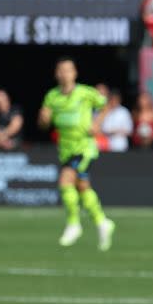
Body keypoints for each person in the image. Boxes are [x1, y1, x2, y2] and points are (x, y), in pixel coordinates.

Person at [38, 57, 116, 251]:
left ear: (74, 73)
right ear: (57, 74)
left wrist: (97, 124)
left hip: (84, 147)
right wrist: (43, 119)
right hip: (65, 148)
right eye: (61, 70)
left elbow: (106, 105)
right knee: (82, 187)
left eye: (68, 70)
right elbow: (44, 125)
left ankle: (74, 224)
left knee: (65, 181)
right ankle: (102, 222)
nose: (65, 74)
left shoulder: (85, 93)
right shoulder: (52, 97)